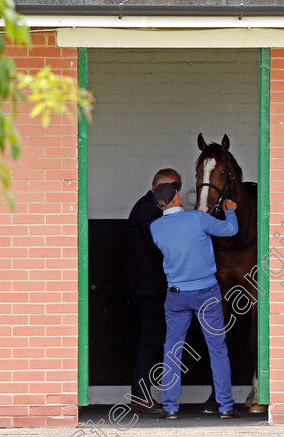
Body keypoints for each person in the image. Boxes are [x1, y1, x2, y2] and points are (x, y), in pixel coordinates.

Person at [149, 180, 240, 420]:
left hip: (176, 295)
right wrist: (230, 210)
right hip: (206, 293)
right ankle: (225, 406)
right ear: (177, 196)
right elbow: (230, 230)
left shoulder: (155, 227)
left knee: (172, 349)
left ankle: (169, 407)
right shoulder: (197, 219)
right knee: (217, 348)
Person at [123, 168, 182, 414]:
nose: (176, 193)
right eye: (173, 187)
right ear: (158, 188)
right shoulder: (149, 211)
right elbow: (157, 244)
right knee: (149, 340)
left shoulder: (146, 207)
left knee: (149, 340)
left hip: (144, 287)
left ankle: (142, 394)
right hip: (148, 289)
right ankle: (140, 396)